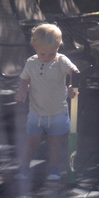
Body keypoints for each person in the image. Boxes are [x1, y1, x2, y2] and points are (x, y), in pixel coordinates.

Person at [15, 23, 80, 181]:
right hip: (36, 111)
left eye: (52, 53)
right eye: (43, 54)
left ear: (58, 46)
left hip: (57, 112)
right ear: (34, 46)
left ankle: (53, 167)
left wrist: (72, 86)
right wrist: (22, 90)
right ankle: (24, 167)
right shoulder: (31, 62)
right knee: (31, 141)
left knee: (54, 143)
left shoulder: (60, 61)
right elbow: (24, 79)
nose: (47, 57)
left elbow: (75, 71)